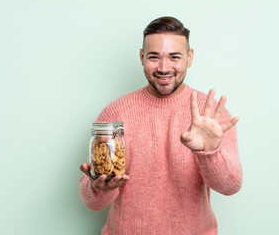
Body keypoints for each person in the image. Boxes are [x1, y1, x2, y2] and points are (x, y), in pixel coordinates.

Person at [79, 16, 243, 235]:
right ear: (141, 57)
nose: (164, 68)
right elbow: (93, 202)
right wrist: (97, 187)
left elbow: (231, 186)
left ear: (190, 57)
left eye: (174, 57)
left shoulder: (210, 115)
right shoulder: (115, 114)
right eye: (154, 57)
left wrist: (211, 153)